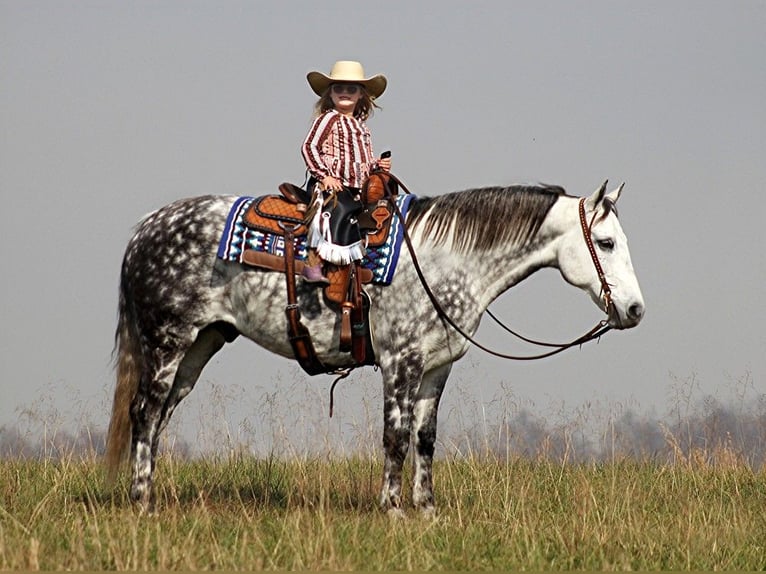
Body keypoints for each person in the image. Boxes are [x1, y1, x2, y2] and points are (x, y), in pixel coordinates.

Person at [300, 60, 392, 284]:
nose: (345, 93)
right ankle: (314, 262)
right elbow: (309, 146)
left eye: (351, 89)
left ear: (361, 95)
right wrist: (324, 176)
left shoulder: (362, 127)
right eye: (338, 88)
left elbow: (362, 161)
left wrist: (377, 166)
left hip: (355, 189)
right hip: (330, 186)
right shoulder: (327, 119)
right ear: (330, 94)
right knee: (334, 212)